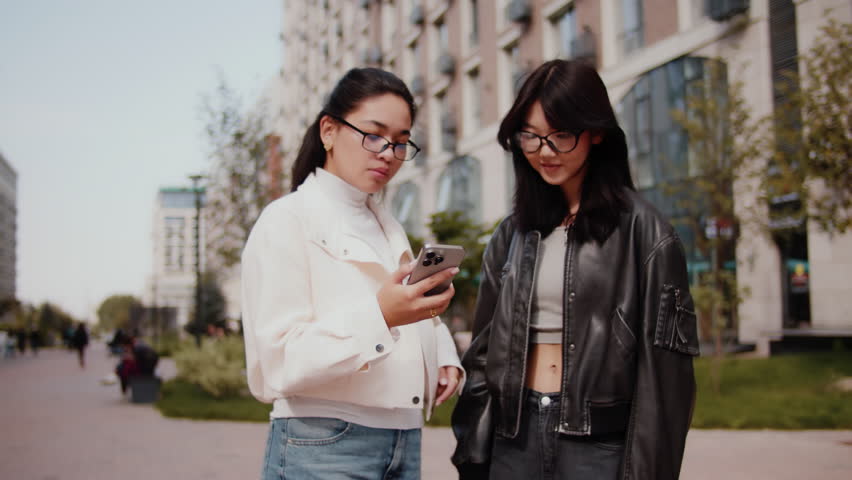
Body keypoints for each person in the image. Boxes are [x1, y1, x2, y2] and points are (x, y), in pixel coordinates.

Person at [450, 59, 699, 480]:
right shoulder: (512, 233)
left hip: (598, 447)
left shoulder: (646, 231)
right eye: (530, 137)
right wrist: (473, 449)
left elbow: (666, 381)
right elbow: (483, 353)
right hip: (515, 438)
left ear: (596, 132)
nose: (544, 152)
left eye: (561, 135)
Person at [241, 67, 464, 480]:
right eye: (373, 135)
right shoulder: (286, 220)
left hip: (403, 436)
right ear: (328, 130)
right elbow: (279, 361)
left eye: (400, 142)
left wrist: (443, 358)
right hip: (323, 440)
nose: (387, 152)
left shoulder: (385, 223)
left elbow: (408, 313)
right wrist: (381, 316)